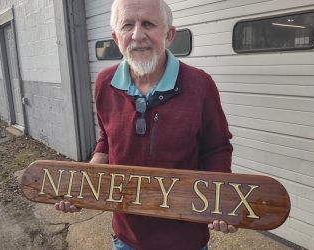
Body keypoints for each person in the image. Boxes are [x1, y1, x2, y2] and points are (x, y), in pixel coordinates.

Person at [55, 0, 237, 249]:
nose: (137, 35)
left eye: (148, 24)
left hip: (185, 240)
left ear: (169, 35)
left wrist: (220, 201)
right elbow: (106, 140)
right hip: (126, 237)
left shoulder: (200, 85)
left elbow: (217, 148)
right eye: (127, 25)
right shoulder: (104, 83)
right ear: (116, 37)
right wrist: (85, 185)